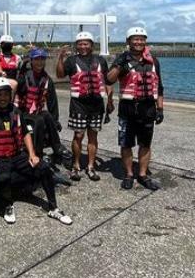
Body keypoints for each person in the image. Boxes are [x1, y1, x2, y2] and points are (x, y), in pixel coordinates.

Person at [0, 77, 73, 226]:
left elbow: (25, 133)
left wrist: (32, 154)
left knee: (44, 168)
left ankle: (53, 208)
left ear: (10, 95)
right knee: (3, 177)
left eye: (5, 94)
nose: (3, 98)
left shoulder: (16, 112)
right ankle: (7, 205)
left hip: (17, 155)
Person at [106, 26, 165, 191]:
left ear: (145, 41)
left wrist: (160, 109)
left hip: (147, 108)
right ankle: (129, 174)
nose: (139, 42)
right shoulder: (122, 60)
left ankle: (143, 175)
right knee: (126, 144)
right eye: (135, 39)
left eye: (141, 39)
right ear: (128, 41)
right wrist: (119, 64)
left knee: (145, 144)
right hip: (127, 108)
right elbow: (109, 80)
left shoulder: (154, 61)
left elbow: (159, 87)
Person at [56, 31, 113, 182]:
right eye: (80, 44)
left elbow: (107, 81)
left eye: (86, 43)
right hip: (78, 104)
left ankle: (91, 166)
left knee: (93, 136)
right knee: (79, 135)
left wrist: (110, 101)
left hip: (97, 105)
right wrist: (61, 57)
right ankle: (76, 166)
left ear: (92, 45)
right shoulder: (71, 61)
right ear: (76, 45)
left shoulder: (100, 61)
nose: (83, 46)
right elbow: (60, 75)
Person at [16, 48, 68, 164]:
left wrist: (56, 121)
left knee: (48, 116)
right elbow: (17, 90)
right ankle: (38, 153)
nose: (40, 62)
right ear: (31, 61)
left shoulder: (47, 79)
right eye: (37, 59)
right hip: (23, 113)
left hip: (36, 112)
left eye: (42, 59)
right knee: (39, 120)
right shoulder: (24, 76)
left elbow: (52, 102)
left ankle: (57, 147)